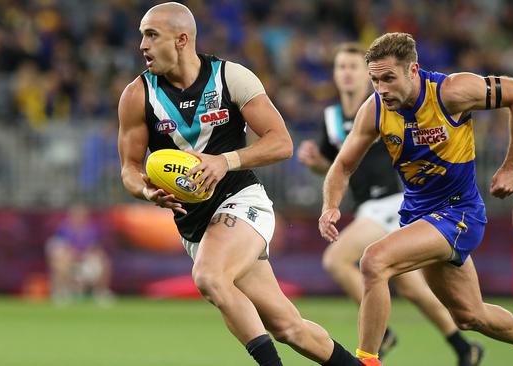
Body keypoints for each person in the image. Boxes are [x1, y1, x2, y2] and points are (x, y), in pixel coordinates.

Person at [117, 3, 362, 366]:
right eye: (142, 35)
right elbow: (129, 169)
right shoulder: (137, 95)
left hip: (242, 200)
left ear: (182, 39)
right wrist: (145, 190)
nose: (142, 45)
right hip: (194, 227)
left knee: (209, 277)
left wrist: (225, 161)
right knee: (287, 326)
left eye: (151, 34)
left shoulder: (231, 77)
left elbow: (281, 142)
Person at [318, 32, 513, 366]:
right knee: (469, 315)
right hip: (419, 216)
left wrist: (512, 167)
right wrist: (330, 206)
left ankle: (366, 361)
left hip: (458, 212)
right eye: (375, 80)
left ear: (413, 70)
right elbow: (342, 166)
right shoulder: (375, 109)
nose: (382, 89)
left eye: (389, 78)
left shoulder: (450, 91)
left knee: (373, 261)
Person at [298, 42, 484, 365]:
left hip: (393, 200)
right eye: (341, 67)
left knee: (337, 260)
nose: (347, 74)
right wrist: (316, 163)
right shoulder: (331, 118)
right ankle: (462, 345)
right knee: (410, 287)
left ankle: (381, 337)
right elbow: (340, 166)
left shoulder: (387, 105)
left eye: (353, 67)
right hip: (367, 207)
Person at [46, 205, 113, 305]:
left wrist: (87, 255)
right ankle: (60, 292)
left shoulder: (92, 229)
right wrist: (73, 255)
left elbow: (95, 248)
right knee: (60, 262)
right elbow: (61, 247)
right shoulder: (63, 229)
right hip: (70, 261)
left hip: (86, 260)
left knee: (104, 261)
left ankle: (101, 292)